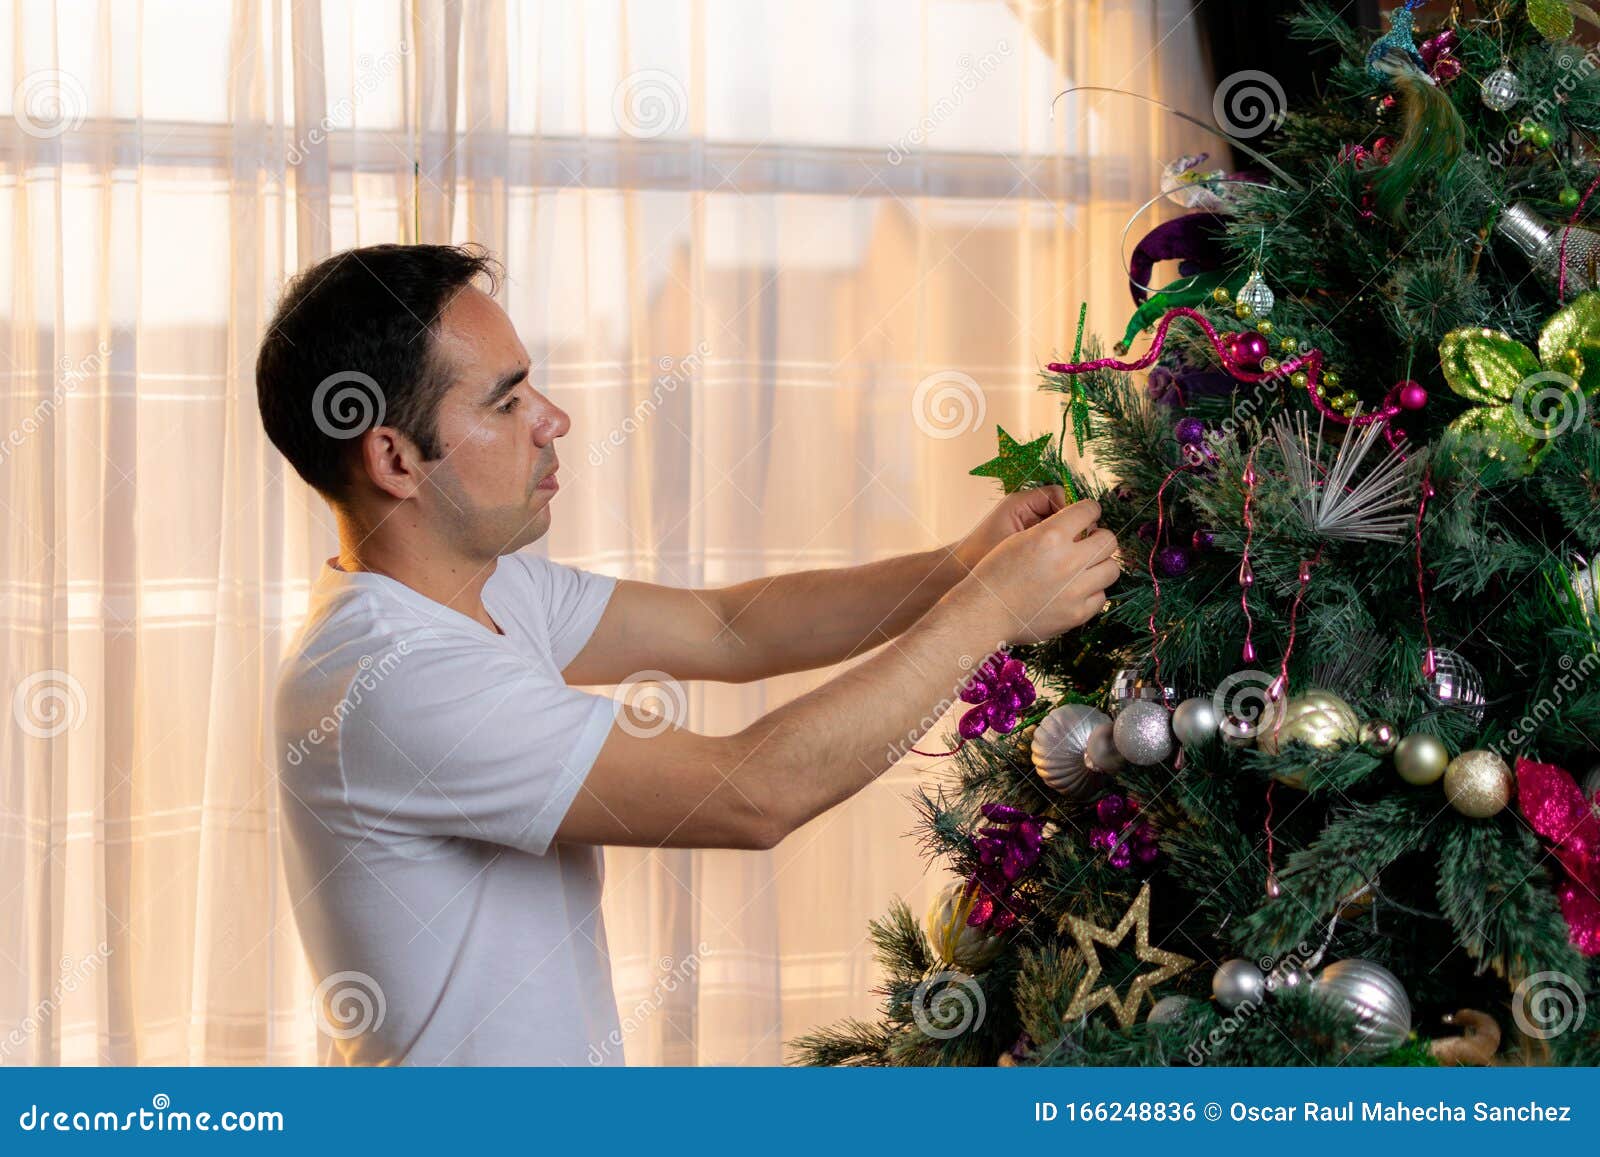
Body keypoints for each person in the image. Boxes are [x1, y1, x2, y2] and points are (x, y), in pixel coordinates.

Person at [256, 243, 1119, 1065]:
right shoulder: (395, 681)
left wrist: (961, 567)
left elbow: (728, 627)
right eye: (507, 400)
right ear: (395, 458)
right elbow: (751, 793)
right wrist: (994, 608)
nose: (554, 419)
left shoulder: (483, 589)